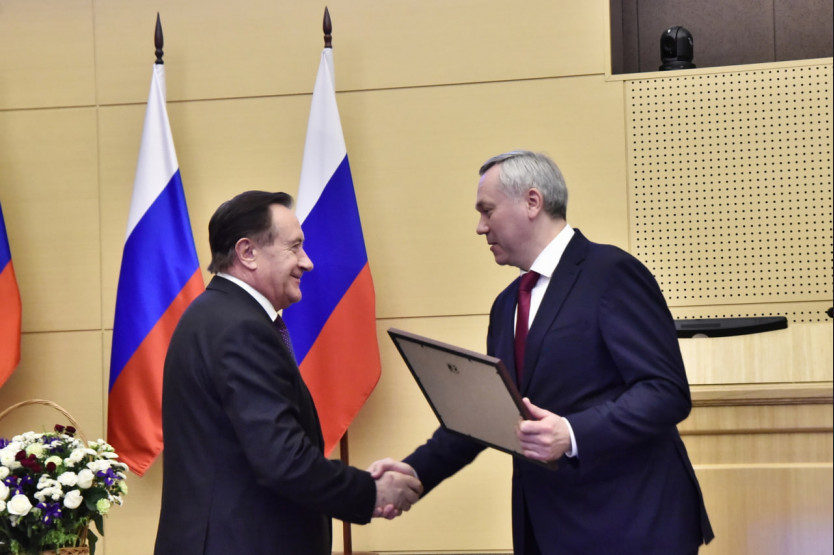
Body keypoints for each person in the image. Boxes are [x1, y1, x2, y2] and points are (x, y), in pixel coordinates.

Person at [371, 151, 714, 554]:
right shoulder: (506, 305)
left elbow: (666, 392)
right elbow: (492, 412)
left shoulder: (611, 272)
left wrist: (571, 433)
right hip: (548, 529)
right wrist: (413, 472)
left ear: (532, 202)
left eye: (487, 211)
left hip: (632, 524)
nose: (480, 227)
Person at [154, 191, 422, 555]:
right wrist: (370, 492)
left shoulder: (215, 314)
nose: (307, 262)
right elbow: (282, 459)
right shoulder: (239, 328)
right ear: (247, 252)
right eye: (294, 247)